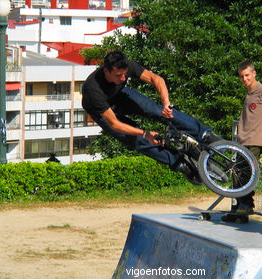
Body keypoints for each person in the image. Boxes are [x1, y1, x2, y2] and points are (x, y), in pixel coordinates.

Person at [81, 51, 220, 185]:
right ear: (106, 71)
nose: (123, 78)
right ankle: (180, 163)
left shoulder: (126, 66)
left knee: (155, 110)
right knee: (136, 139)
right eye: (118, 75)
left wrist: (166, 103)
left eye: (125, 74)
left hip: (119, 95)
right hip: (102, 112)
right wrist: (145, 134)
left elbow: (156, 79)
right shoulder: (92, 89)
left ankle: (204, 134)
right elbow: (114, 124)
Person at [222, 60, 262, 222]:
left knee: (245, 172)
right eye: (242, 76)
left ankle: (247, 204)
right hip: (243, 140)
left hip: (256, 140)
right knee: (237, 173)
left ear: (254, 74)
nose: (244, 79)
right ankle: (237, 209)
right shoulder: (249, 93)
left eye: (247, 75)